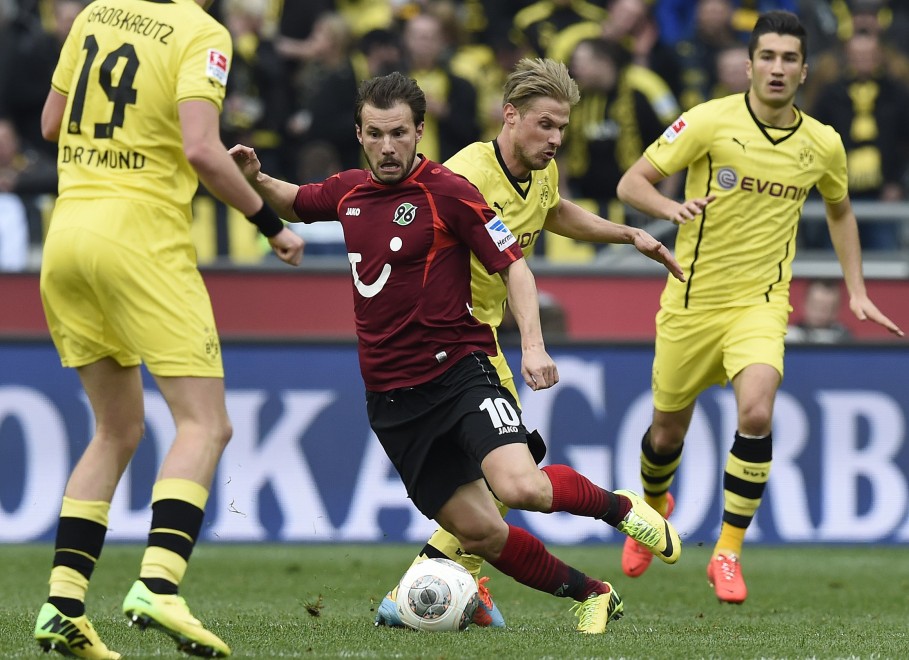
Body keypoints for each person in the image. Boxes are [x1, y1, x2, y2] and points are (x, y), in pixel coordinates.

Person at [230, 71, 681, 635]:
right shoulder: (349, 191)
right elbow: (296, 202)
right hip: (393, 402)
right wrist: (255, 179)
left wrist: (533, 347)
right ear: (360, 135)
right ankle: (593, 594)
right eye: (376, 134)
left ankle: (622, 508)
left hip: (462, 371)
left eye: (399, 133)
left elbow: (515, 264)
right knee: (482, 533)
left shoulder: (450, 189)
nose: (388, 147)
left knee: (519, 486)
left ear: (420, 132)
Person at [367, 57, 685, 629]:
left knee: (507, 483)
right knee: (500, 487)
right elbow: (501, 260)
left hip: (473, 349)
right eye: (545, 125)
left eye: (562, 127)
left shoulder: (542, 171)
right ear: (510, 116)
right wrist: (533, 346)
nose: (556, 139)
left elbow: (552, 210)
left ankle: (435, 589)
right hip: (440, 350)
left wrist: (627, 233)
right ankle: (609, 518)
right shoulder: (464, 176)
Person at [33, 0, 304, 658]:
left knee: (116, 428)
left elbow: (51, 123)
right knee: (205, 423)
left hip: (66, 237)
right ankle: (159, 583)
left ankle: (63, 604)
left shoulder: (95, 13)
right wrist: (269, 224)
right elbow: (200, 148)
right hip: (141, 240)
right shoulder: (201, 32)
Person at [615, 10, 903, 605]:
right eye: (767, 56)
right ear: (749, 65)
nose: (777, 68)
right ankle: (653, 506)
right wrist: (669, 210)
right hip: (691, 301)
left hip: (762, 304)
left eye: (788, 58)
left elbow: (841, 210)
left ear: (804, 71)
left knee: (756, 411)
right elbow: (631, 183)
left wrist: (856, 289)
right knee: (666, 433)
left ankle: (727, 551)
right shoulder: (708, 121)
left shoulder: (823, 143)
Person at [785, 279, 853, 344]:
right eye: (815, 306)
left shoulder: (845, 340)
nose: (819, 313)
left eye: (826, 308)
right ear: (804, 304)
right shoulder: (789, 337)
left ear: (836, 311)